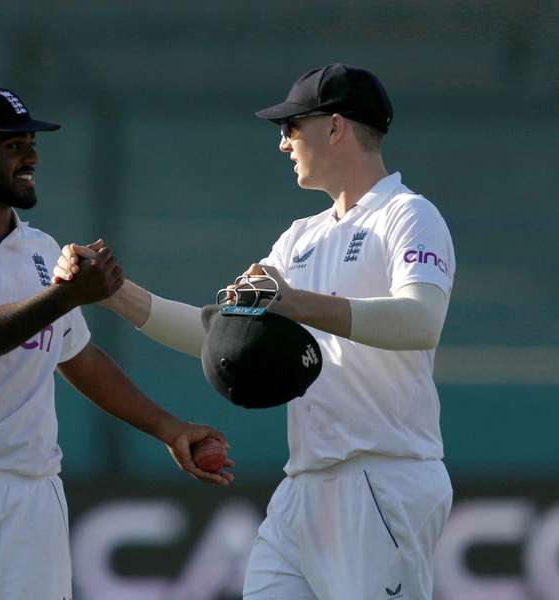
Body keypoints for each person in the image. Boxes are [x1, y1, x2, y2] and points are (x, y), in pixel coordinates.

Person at [54, 64, 456, 599]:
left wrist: (295, 303)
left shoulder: (408, 216)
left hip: (382, 478)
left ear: (335, 128)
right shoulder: (299, 239)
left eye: (292, 127)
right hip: (303, 487)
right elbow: (216, 333)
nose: (283, 143)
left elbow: (421, 321)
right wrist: (111, 291)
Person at [0, 85, 233, 600]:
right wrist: (64, 296)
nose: (31, 156)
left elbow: (78, 358)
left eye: (31, 143)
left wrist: (168, 429)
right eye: (13, 146)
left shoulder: (40, 250)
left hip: (29, 491)